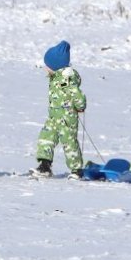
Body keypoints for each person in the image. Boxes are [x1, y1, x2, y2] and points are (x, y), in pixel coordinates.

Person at [32, 40, 87, 179]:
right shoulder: (56, 77)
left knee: (69, 144)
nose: (45, 68)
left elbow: (75, 93)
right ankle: (44, 166)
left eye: (47, 66)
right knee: (45, 139)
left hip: (67, 119)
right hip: (54, 117)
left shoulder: (66, 79)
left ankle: (76, 170)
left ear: (56, 66)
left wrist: (80, 105)